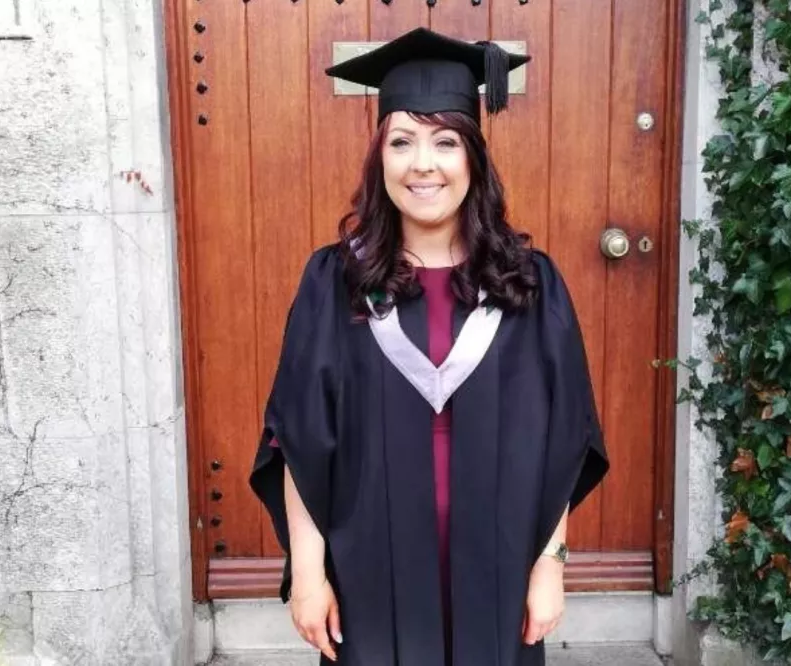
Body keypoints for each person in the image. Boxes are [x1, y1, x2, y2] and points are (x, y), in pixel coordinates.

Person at [249, 27, 608, 666]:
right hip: (370, 578)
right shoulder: (334, 283)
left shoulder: (530, 285)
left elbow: (564, 437)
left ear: (473, 157)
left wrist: (550, 565)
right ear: (379, 156)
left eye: (445, 141)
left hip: (499, 576)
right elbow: (297, 438)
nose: (423, 164)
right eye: (402, 142)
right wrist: (307, 574)